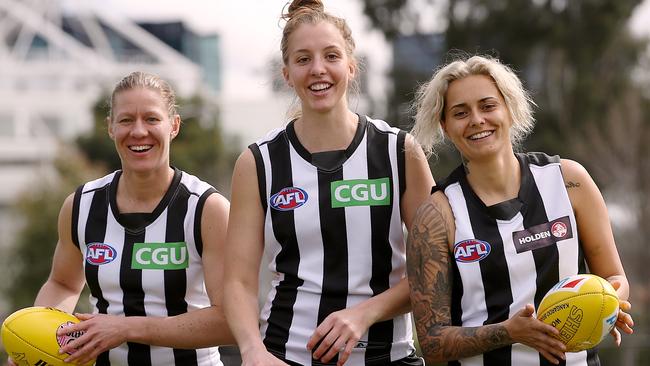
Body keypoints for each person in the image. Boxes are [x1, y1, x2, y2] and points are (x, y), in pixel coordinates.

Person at [222, 1, 434, 365]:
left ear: (351, 67)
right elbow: (238, 282)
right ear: (286, 73)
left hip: (389, 355)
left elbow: (435, 268)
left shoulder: (399, 150)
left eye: (331, 56)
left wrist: (365, 313)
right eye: (303, 59)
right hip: (285, 355)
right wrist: (252, 350)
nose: (318, 69)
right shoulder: (258, 161)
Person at [406, 54, 635, 366]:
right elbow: (432, 342)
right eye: (461, 113)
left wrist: (608, 301)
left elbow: (614, 277)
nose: (476, 119)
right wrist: (510, 332)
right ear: (445, 126)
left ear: (509, 109)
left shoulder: (570, 181)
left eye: (488, 106)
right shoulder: (437, 214)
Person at [8, 71, 234, 366]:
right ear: (111, 128)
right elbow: (63, 284)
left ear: (174, 126)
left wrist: (126, 328)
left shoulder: (207, 208)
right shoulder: (81, 204)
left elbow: (229, 321)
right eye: (126, 120)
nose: (138, 131)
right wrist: (36, 340)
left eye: (151, 119)